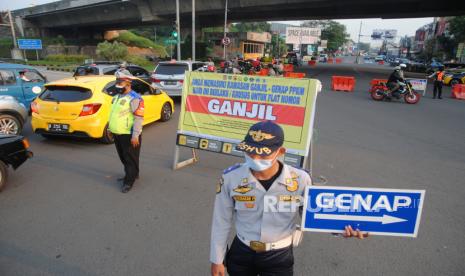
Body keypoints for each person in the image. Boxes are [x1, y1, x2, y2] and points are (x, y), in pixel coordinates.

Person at [210, 121, 367, 276]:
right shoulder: (231, 177)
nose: (255, 157)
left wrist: (343, 229)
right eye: (250, 151)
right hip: (242, 251)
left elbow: (315, 214)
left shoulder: (300, 179)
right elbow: (221, 220)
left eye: (263, 153)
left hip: (278, 255)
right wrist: (216, 259)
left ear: (280, 151)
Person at [108, 75, 144, 193]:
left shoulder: (135, 98)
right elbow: (113, 114)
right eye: (117, 82)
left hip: (129, 134)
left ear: (128, 84)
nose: (118, 85)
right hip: (117, 133)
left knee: (130, 159)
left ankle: (128, 182)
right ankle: (133, 174)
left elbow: (138, 118)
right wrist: (110, 128)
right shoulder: (117, 96)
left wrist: (135, 136)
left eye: (121, 83)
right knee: (124, 157)